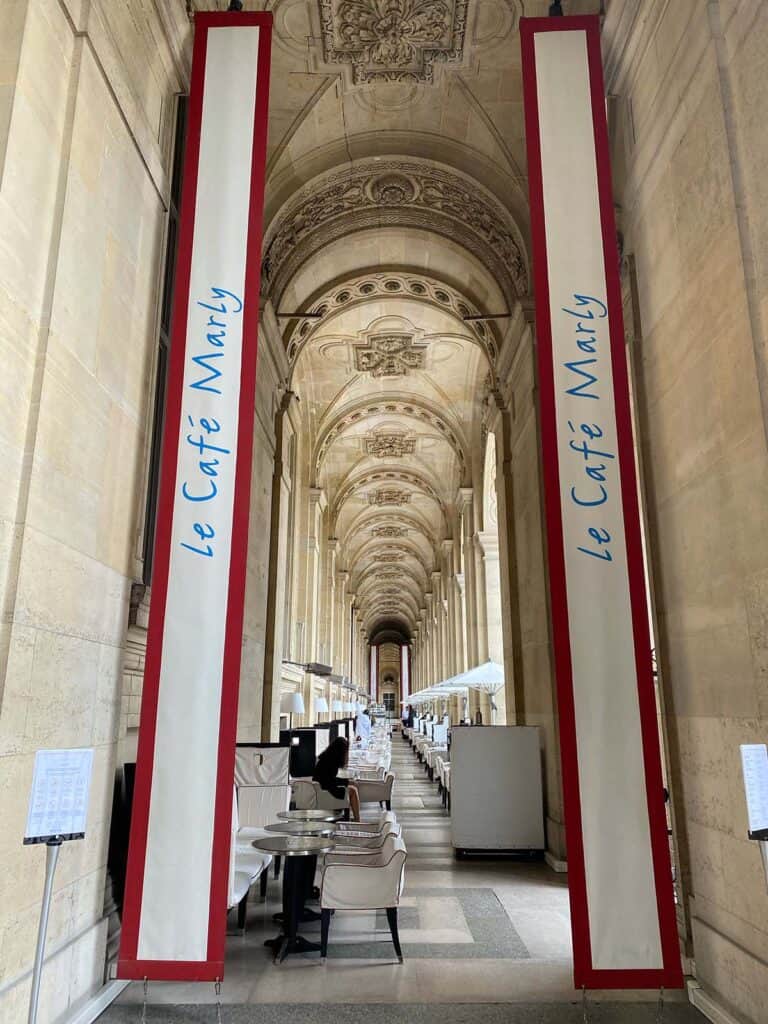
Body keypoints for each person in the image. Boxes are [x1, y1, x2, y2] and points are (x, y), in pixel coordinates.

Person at [313, 736, 360, 820]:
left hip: (325, 787)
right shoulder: (330, 762)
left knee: (352, 786)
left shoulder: (327, 758)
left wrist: (347, 782)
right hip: (326, 790)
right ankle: (357, 819)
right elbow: (330, 781)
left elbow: (330, 778)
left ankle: (351, 814)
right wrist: (346, 782)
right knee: (353, 790)